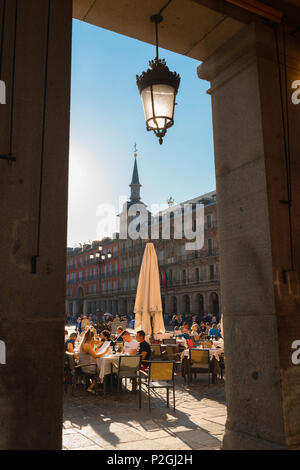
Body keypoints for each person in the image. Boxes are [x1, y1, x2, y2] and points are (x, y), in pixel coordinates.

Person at [78, 328, 110, 393]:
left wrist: (101, 342)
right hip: (86, 366)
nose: (94, 339)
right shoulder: (87, 345)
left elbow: (96, 343)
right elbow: (95, 356)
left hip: (82, 365)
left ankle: (96, 385)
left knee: (99, 367)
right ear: (91, 337)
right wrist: (105, 352)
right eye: (93, 337)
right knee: (101, 369)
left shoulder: (83, 343)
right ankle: (91, 387)